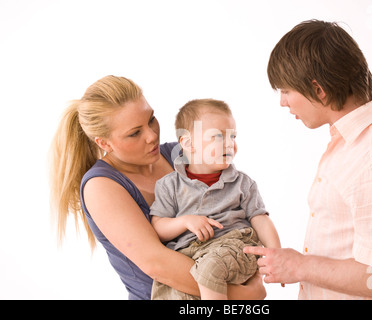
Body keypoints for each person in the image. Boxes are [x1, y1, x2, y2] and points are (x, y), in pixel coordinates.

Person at [244, 20, 372, 300]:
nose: (283, 102)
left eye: (286, 91)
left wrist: (298, 266)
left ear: (318, 89)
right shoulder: (358, 141)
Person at [49, 75, 266, 300]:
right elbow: (156, 263)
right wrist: (241, 295)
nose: (152, 136)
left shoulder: (180, 155)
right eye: (135, 133)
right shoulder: (100, 186)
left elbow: (239, 209)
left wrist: (259, 272)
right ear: (104, 143)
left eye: (151, 119)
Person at [150, 99, 281, 300]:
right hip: (190, 254)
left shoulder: (242, 183)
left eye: (233, 136)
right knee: (166, 291)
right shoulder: (169, 185)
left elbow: (260, 219)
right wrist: (184, 221)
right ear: (188, 143)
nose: (230, 144)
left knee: (210, 269)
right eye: (218, 137)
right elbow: (159, 228)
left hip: (234, 245)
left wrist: (276, 255)